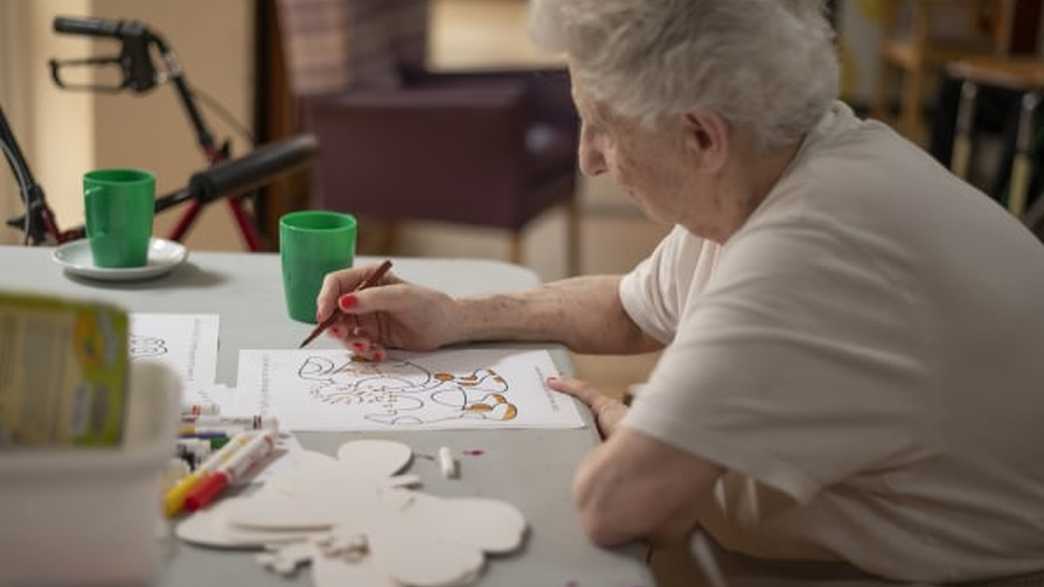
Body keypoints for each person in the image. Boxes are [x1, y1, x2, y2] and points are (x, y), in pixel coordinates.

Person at [315, 0, 1044, 583]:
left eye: (600, 125)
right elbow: (630, 308)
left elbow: (616, 505)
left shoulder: (809, 246)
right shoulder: (783, 162)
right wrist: (454, 315)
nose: (587, 159)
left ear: (700, 136)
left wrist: (633, 437)